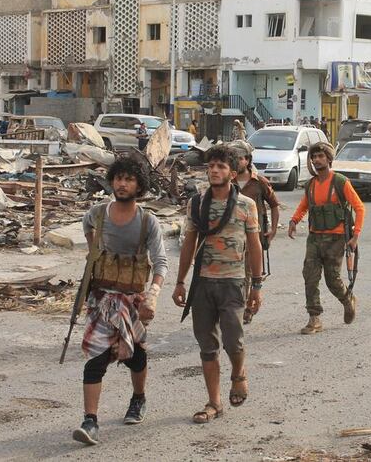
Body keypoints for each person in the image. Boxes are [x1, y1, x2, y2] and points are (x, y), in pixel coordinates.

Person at [73, 157, 168, 446]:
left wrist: (153, 294)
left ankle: (138, 399)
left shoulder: (147, 221)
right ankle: (90, 421)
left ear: (139, 185)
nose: (122, 184)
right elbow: (91, 241)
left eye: (129, 179)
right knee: (96, 359)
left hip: (131, 301)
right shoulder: (97, 214)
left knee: (136, 356)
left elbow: (160, 261)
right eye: (118, 178)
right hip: (101, 299)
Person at [172, 145, 264, 424]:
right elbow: (188, 242)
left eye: (221, 166)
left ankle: (239, 374)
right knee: (207, 346)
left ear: (233, 173)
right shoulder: (197, 203)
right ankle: (214, 402)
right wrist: (179, 282)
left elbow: (255, 245)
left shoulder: (245, 205)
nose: (214, 170)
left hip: (233, 282)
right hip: (202, 283)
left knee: (234, 341)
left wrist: (257, 286)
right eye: (210, 165)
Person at [288, 142, 365, 335]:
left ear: (328, 159)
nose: (316, 160)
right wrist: (294, 220)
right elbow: (305, 205)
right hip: (315, 238)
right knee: (310, 277)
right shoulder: (311, 185)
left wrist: (355, 236)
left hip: (336, 239)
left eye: (321, 156)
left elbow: (359, 207)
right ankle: (314, 318)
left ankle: (348, 299)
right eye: (314, 157)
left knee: (332, 279)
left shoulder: (340, 182)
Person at [230, 140, 280, 324]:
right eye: (233, 158)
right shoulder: (227, 181)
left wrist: (273, 230)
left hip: (253, 237)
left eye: (240, 158)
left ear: (248, 160)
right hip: (232, 238)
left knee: (249, 274)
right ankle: (237, 308)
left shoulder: (259, 183)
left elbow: (274, 205)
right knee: (235, 275)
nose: (237, 161)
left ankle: (247, 308)